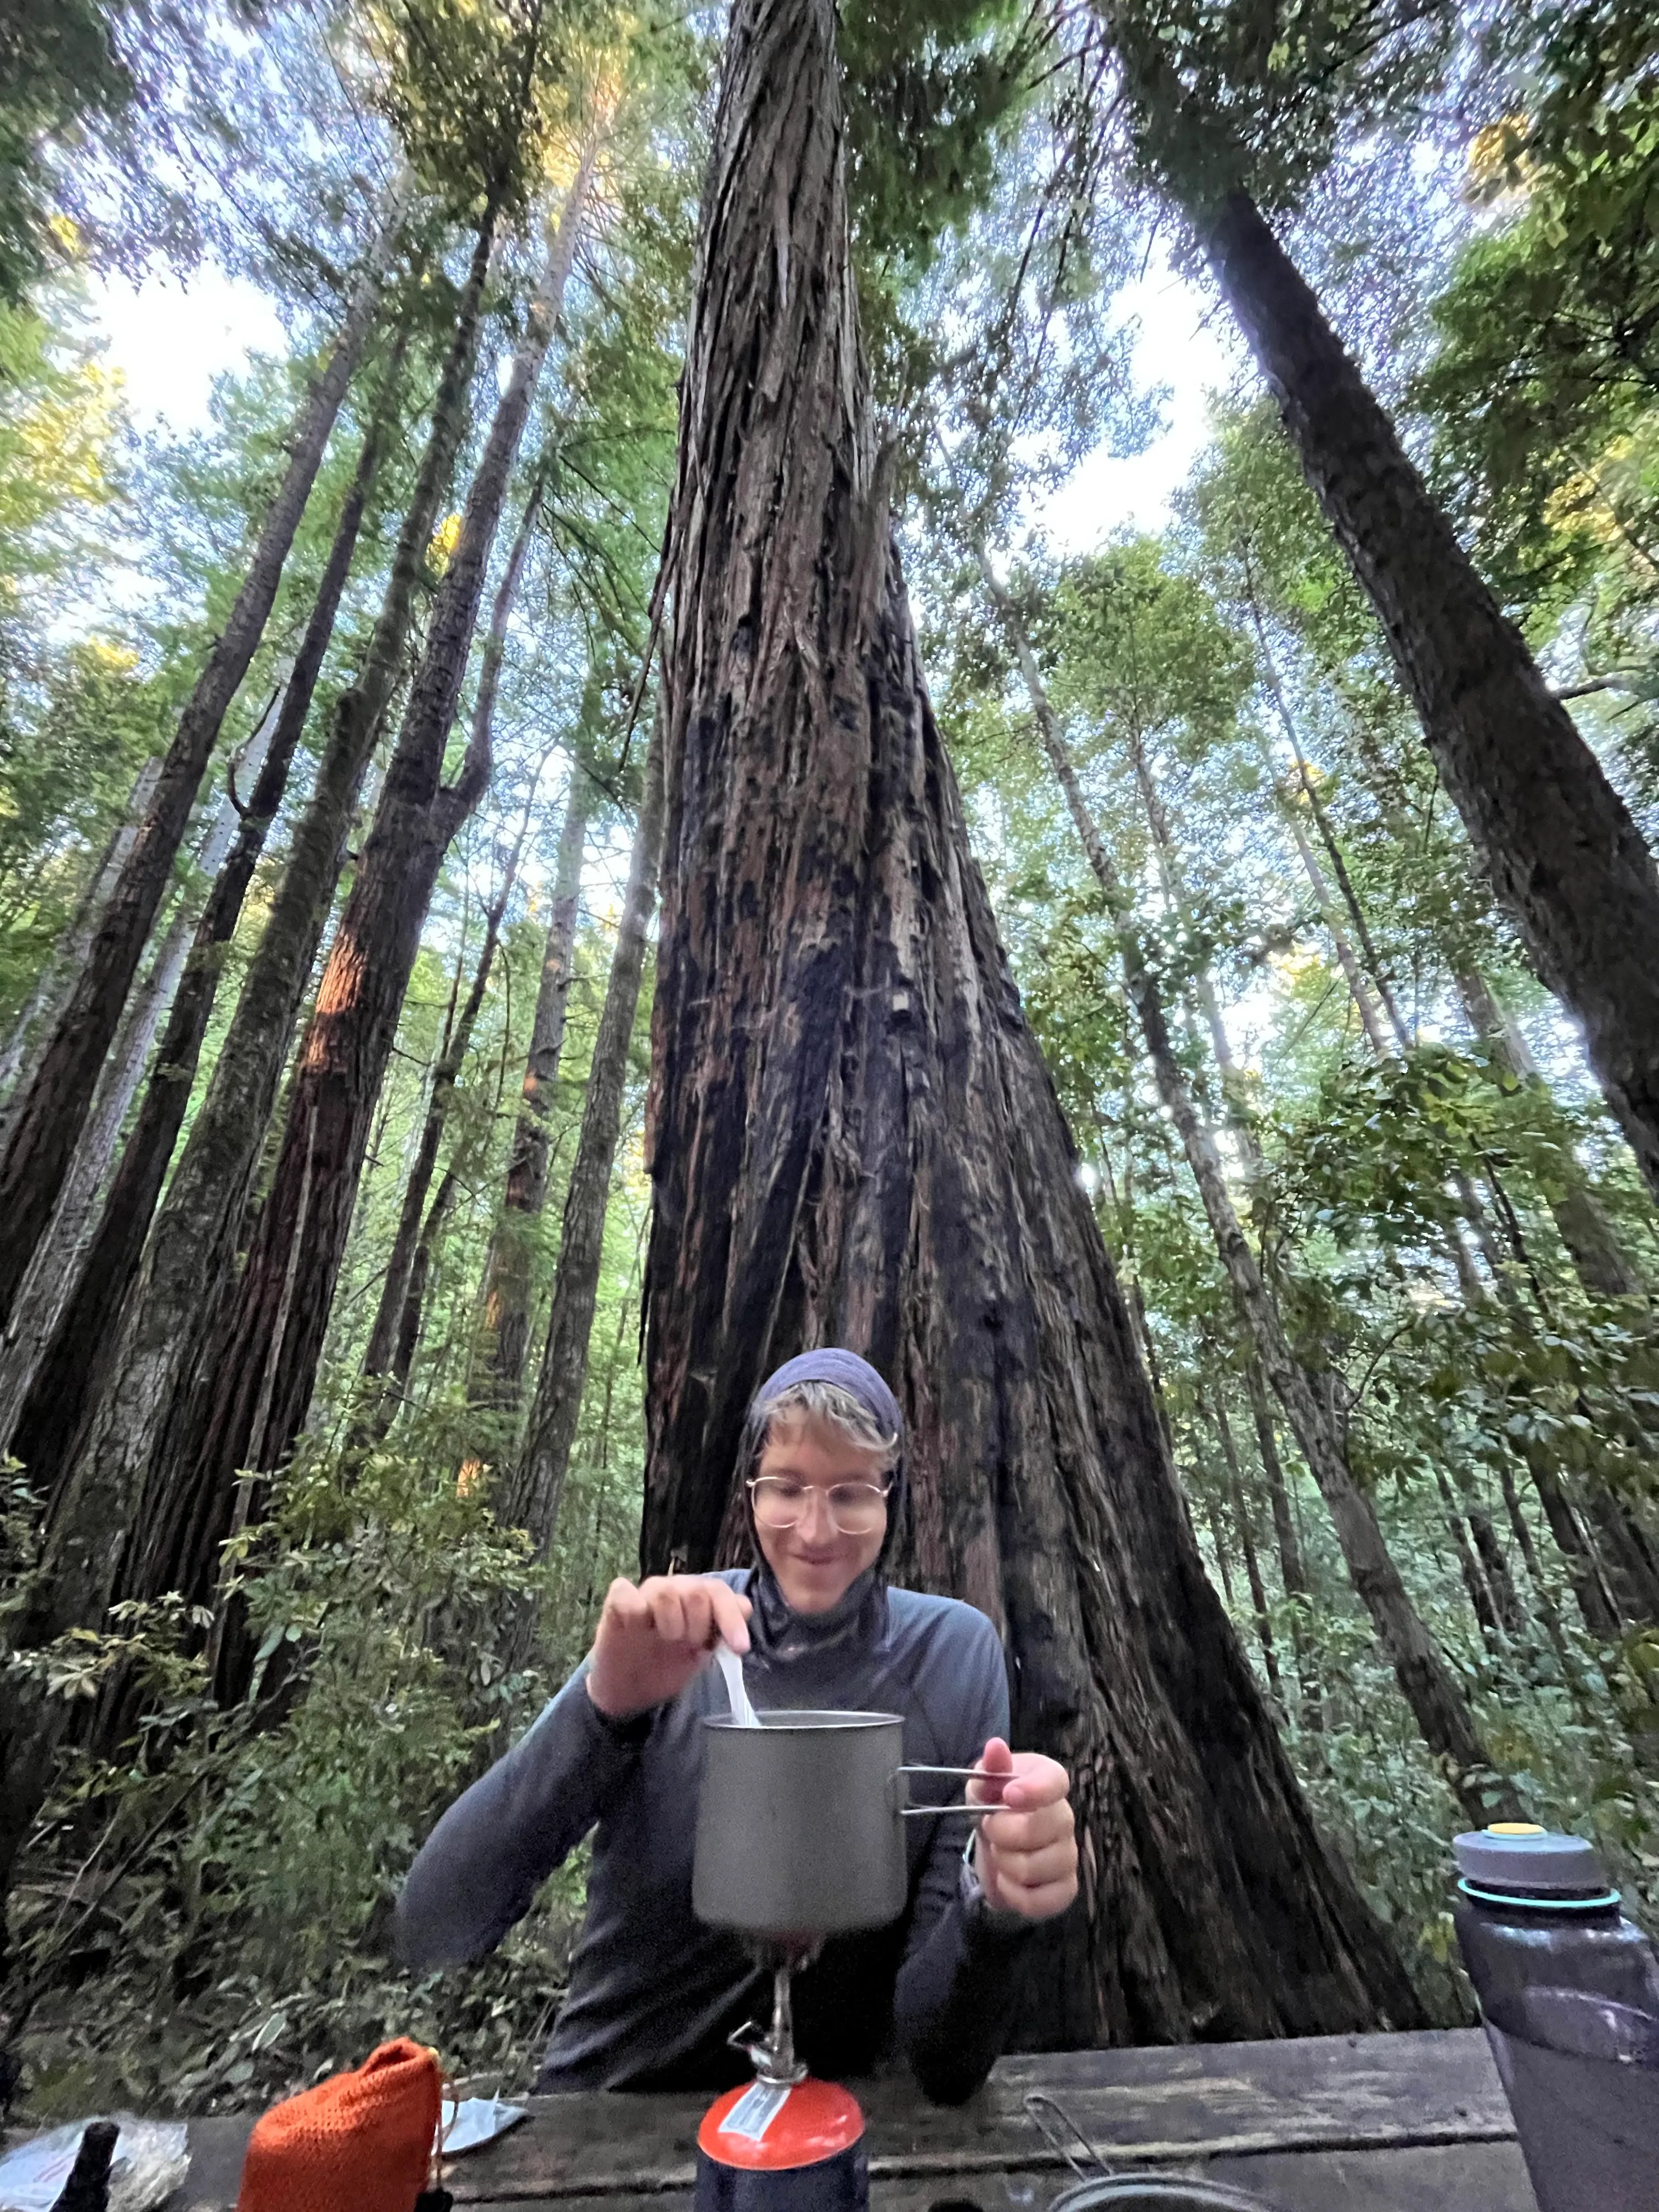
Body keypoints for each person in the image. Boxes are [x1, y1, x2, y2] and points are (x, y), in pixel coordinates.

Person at [396, 1349, 1079, 2102]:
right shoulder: (678, 1639)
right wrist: (604, 1708)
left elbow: (940, 2061)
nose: (815, 1531)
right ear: (751, 1495)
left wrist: (995, 1906)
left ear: (894, 1499)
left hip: (834, 2136)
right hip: (606, 2121)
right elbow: (435, 1924)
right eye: (786, 1488)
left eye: (851, 1493)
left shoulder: (950, 1655)